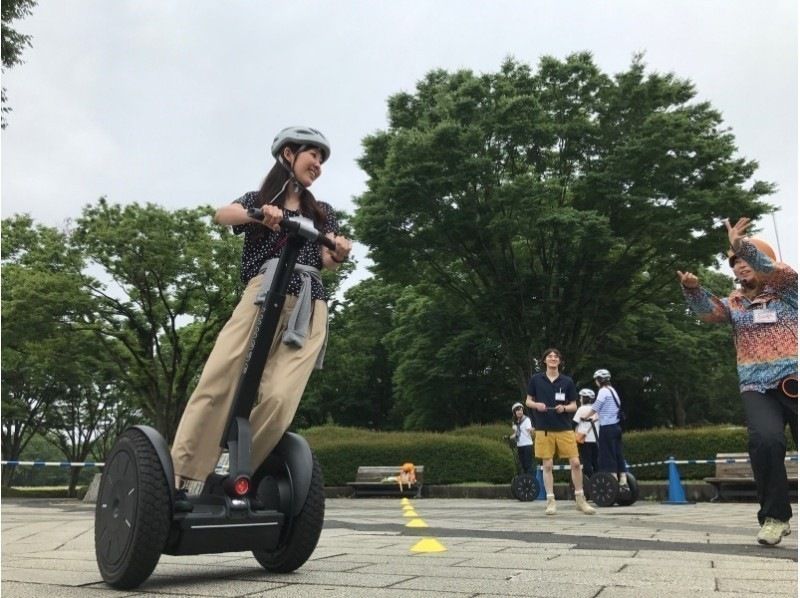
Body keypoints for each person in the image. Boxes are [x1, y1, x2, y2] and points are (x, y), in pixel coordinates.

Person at [171, 126, 352, 499]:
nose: (318, 164)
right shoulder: (258, 199)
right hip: (261, 294)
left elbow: (326, 258)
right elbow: (222, 215)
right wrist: (259, 214)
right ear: (288, 154)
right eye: (312, 155)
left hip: (307, 302)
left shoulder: (322, 213)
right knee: (219, 379)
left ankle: (233, 471)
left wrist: (339, 250)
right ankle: (180, 476)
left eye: (321, 159)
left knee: (280, 400)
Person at [677, 217, 797, 546]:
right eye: (736, 262)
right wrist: (692, 289)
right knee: (765, 442)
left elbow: (775, 270)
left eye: (745, 260)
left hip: (795, 379)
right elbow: (708, 312)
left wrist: (740, 244)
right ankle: (775, 517)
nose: (740, 266)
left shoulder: (787, 290)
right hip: (757, 387)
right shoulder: (735, 303)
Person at [525, 348, 596, 515]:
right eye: (549, 356)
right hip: (544, 428)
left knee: (576, 463)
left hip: (564, 427)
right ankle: (550, 501)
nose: (553, 358)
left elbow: (574, 405)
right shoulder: (536, 379)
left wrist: (564, 408)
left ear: (559, 361)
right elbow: (528, 401)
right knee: (547, 465)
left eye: (556, 356)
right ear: (544, 361)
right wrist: (537, 405)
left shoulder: (567, 381)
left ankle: (580, 499)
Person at [590, 369, 628, 488]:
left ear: (599, 380)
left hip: (607, 428)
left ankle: (613, 481)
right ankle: (623, 479)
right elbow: (608, 410)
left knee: (607, 454)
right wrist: (596, 418)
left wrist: (585, 416)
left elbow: (595, 407)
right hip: (616, 427)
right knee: (618, 453)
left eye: (596, 380)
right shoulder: (613, 391)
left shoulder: (603, 391)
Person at [573, 389, 599, 478]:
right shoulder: (596, 409)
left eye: (581, 397)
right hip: (596, 439)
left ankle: (589, 480)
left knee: (586, 461)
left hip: (584, 439)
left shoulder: (581, 409)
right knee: (595, 461)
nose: (580, 399)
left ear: (585, 399)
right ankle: (597, 478)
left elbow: (574, 423)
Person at [509, 402, 534, 474]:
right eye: (517, 410)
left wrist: (531, 430)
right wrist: (509, 437)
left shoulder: (526, 419)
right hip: (519, 445)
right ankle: (524, 480)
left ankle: (530, 480)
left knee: (528, 464)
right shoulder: (515, 422)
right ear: (514, 412)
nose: (520, 412)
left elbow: (529, 430)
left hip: (527, 445)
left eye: (521, 410)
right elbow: (516, 434)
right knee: (522, 465)